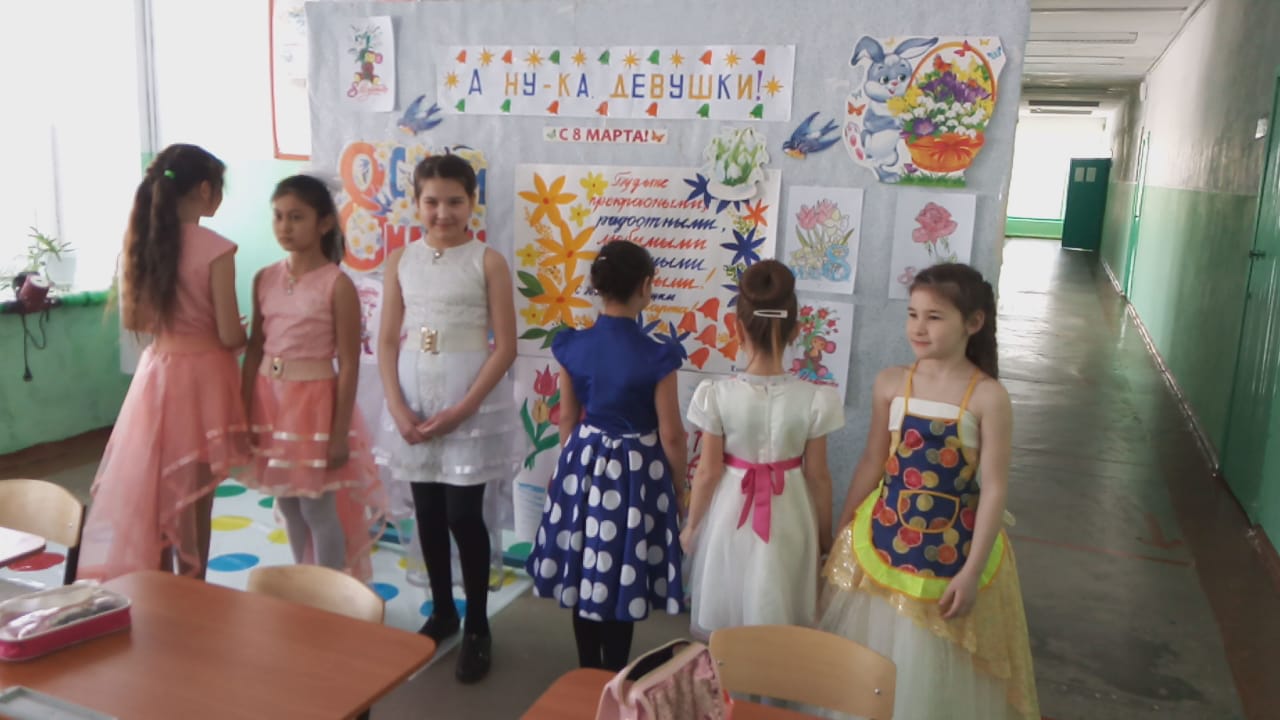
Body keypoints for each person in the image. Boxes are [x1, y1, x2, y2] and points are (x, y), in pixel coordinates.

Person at [819, 263, 1040, 720]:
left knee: (935, 675)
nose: (918, 328)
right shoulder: (890, 382)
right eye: (913, 314)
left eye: (934, 317)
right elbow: (872, 461)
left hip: (954, 555)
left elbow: (995, 489)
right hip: (885, 543)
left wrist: (972, 573)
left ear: (973, 323)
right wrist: (843, 528)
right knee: (876, 661)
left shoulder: (988, 397)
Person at [376, 154, 522, 683]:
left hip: (469, 402)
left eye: (455, 201)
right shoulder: (400, 261)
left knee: (463, 514)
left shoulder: (488, 261)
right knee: (429, 512)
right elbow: (387, 339)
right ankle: (442, 611)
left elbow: (505, 347)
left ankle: (478, 624)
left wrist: (464, 408)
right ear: (415, 203)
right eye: (432, 202)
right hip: (413, 399)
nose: (443, 212)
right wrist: (397, 406)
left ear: (472, 202)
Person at [80, 144, 248, 581]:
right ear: (206, 190)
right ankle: (193, 586)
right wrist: (249, 332)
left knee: (155, 490)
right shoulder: (216, 249)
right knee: (196, 498)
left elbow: (140, 321)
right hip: (203, 379)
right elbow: (230, 335)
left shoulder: (143, 240)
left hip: (157, 373)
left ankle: (156, 584)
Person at [525, 240, 688, 672]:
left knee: (586, 564)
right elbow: (671, 435)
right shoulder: (658, 354)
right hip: (636, 473)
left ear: (598, 286)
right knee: (622, 568)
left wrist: (571, 468)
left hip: (583, 461)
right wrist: (679, 487)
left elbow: (567, 417)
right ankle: (615, 672)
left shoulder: (572, 345)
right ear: (646, 286)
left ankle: (586, 669)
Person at [681, 260, 842, 638]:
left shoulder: (716, 395)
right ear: (796, 331)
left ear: (736, 328)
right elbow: (818, 476)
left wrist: (692, 526)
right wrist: (824, 537)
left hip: (730, 512)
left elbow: (708, 472)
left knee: (730, 604)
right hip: (792, 514)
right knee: (782, 606)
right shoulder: (816, 398)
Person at [239, 174, 387, 580]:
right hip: (270, 404)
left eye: (296, 217)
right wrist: (243, 410)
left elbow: (350, 363)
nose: (284, 226)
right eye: (278, 216)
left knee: (317, 506)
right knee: (288, 504)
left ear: (323, 223)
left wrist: (338, 434)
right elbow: (255, 349)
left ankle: (330, 591)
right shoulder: (264, 278)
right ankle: (304, 583)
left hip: (314, 406)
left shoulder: (337, 285)